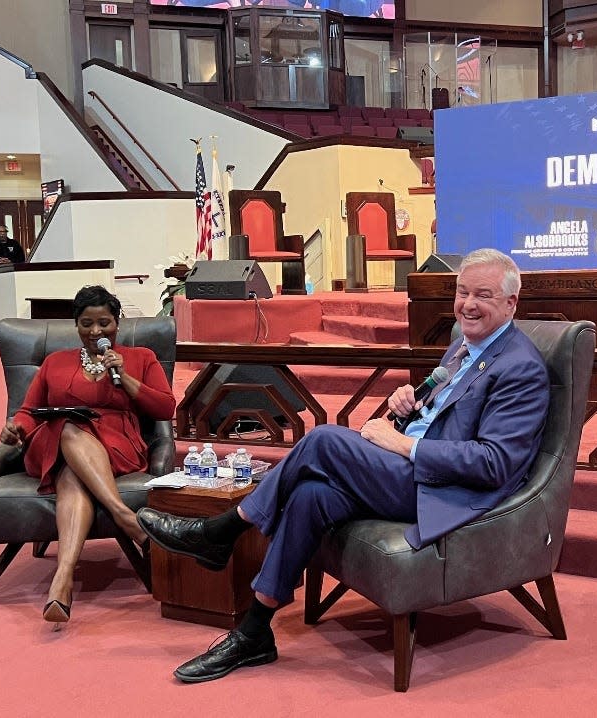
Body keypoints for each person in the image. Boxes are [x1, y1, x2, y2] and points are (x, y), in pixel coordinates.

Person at [138, 248, 551, 683]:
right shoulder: (462, 345)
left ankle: (222, 531)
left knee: (321, 440)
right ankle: (255, 631)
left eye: (482, 295)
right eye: (462, 291)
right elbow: (443, 415)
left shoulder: (520, 367)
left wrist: (403, 446)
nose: (468, 304)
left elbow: (495, 463)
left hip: (443, 490)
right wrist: (407, 409)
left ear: (511, 303)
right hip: (406, 467)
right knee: (310, 496)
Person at [0, 285, 176, 624]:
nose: (96, 331)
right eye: (87, 323)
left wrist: (124, 378)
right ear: (76, 326)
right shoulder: (55, 362)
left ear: (117, 323)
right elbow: (29, 412)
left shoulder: (140, 358)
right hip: (53, 440)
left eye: (104, 323)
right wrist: (15, 428)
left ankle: (62, 583)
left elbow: (165, 408)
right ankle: (124, 517)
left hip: (115, 447)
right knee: (67, 427)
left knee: (70, 471)